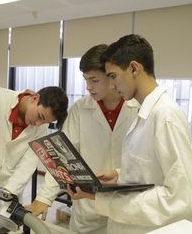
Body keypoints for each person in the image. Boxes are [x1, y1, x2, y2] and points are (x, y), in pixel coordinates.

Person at [66, 34, 192, 234]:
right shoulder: (145, 112)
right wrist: (120, 176)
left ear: (134, 68)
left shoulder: (165, 116)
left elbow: (184, 197)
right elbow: (152, 171)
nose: (111, 85)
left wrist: (105, 200)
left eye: (113, 76)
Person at [25, 44, 139, 233]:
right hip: (88, 211)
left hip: (125, 208)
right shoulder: (80, 109)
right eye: (86, 80)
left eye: (94, 80)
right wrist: (44, 198)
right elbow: (61, 156)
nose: (88, 87)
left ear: (111, 76)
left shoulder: (138, 108)